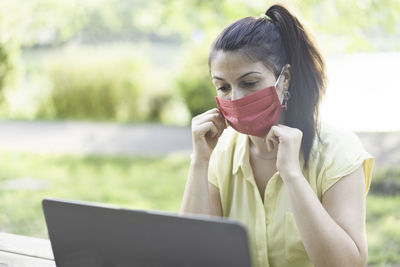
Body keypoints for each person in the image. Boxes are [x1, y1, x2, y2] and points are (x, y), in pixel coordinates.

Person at [180, 4, 373, 267]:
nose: (235, 98)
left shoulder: (338, 150)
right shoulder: (220, 152)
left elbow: (346, 263)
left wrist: (292, 175)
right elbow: (193, 255)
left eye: (249, 83)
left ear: (285, 79)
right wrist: (199, 161)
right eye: (223, 87)